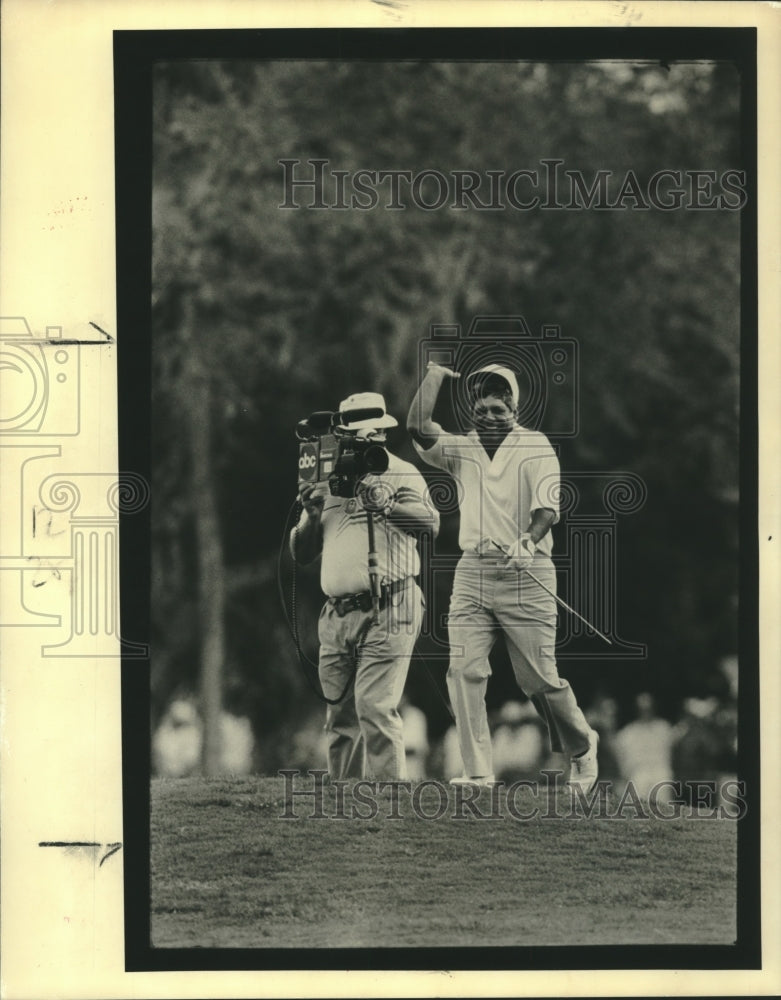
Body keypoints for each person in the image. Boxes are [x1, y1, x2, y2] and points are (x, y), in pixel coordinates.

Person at [407, 362, 598, 792]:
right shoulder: (461, 448)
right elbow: (417, 426)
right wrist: (435, 375)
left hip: (525, 570)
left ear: (514, 407)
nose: (490, 415)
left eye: (499, 406)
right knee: (462, 669)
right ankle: (478, 771)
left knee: (538, 678)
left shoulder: (535, 445)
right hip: (472, 570)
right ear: (473, 409)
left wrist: (528, 540)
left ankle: (583, 748)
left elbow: (547, 507)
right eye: (483, 406)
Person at [290, 391, 439, 782]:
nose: (357, 445)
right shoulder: (325, 479)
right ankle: (344, 805)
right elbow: (301, 553)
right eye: (350, 438)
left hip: (390, 604)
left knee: (374, 706)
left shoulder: (401, 472)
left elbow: (431, 526)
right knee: (339, 715)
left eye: (366, 438)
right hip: (337, 613)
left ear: (381, 436)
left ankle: (391, 805)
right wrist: (310, 515)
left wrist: (386, 504)